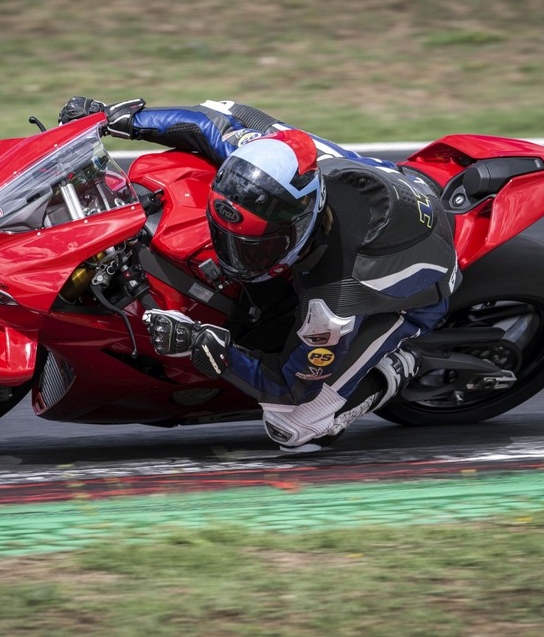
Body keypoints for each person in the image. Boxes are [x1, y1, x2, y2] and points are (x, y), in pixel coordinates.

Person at [59, 96, 460, 452]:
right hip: (385, 187)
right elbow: (207, 121)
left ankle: (399, 364)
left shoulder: (333, 302)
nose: (239, 259)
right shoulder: (268, 160)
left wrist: (203, 346)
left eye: (261, 248)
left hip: (419, 284)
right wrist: (112, 118)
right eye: (230, 240)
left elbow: (292, 386)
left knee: (295, 425)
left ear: (301, 225)